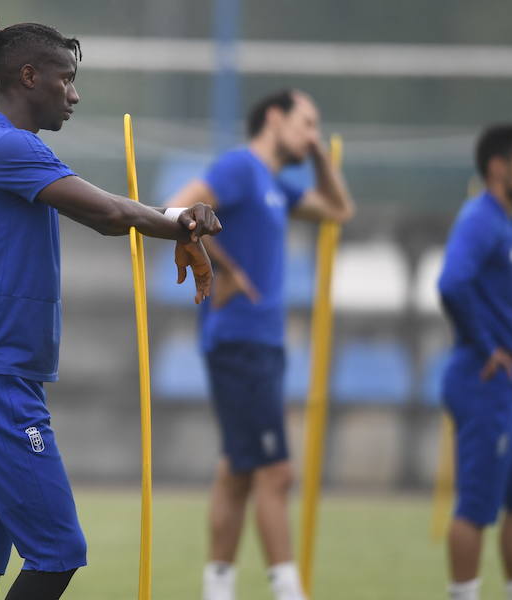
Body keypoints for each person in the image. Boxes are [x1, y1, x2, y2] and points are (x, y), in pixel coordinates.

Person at [0, 16, 222, 600]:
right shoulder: (7, 146)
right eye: (66, 79)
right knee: (58, 551)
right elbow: (108, 215)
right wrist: (182, 222)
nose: (75, 94)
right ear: (30, 76)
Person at [167, 89, 354, 600]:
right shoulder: (240, 167)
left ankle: (217, 587)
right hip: (239, 339)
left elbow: (339, 209)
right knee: (277, 470)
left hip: (262, 344)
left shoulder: (274, 183)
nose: (313, 133)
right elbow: (180, 205)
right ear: (275, 118)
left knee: (239, 470)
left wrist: (316, 154)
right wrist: (223, 267)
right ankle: (288, 589)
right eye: (307, 124)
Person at [437, 123, 512, 600]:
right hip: (483, 383)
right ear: (499, 168)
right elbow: (451, 283)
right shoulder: (480, 219)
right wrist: (487, 348)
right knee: (477, 509)